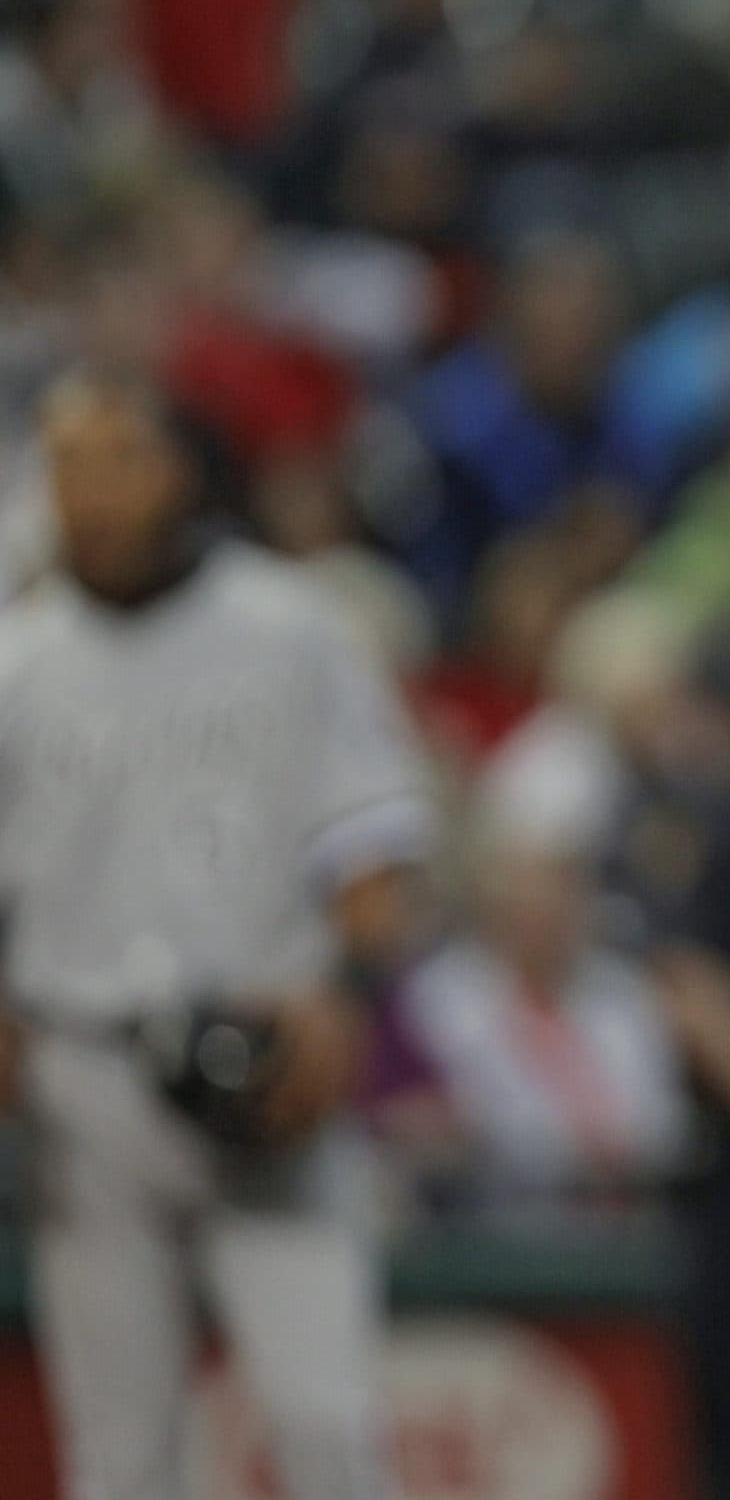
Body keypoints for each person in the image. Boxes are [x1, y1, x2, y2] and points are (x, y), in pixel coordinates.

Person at [0, 369, 432, 1500]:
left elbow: (373, 852)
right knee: (118, 1456)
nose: (88, 492)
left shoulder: (289, 624)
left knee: (330, 1435)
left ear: (184, 468)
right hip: (80, 1070)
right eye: (68, 465)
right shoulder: (16, 658)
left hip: (264, 1058)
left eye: (117, 459)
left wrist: (343, 996)